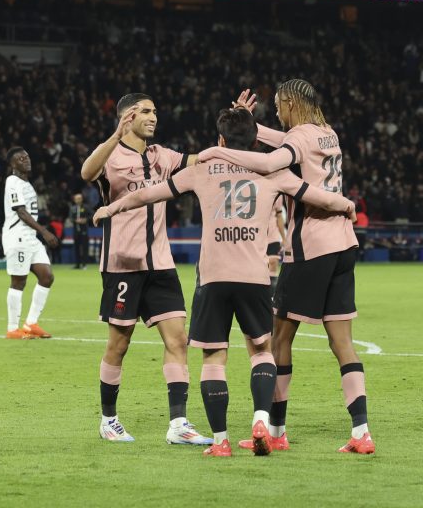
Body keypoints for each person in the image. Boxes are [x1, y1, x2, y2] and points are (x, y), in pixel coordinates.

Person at [92, 108, 356, 457]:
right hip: (256, 278)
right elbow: (314, 194)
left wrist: (112, 208)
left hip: (214, 278)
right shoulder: (273, 171)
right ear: (255, 138)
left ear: (221, 140)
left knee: (214, 357)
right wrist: (346, 204)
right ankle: (261, 419)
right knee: (262, 352)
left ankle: (220, 441)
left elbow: (152, 193)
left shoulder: (202, 170)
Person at [198, 83, 374, 455]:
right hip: (344, 244)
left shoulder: (299, 137)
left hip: (310, 247)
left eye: (278, 106)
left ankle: (276, 430)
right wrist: (246, 125)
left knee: (279, 339)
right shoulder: (327, 134)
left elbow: (267, 162)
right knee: (343, 342)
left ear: (291, 103)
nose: (277, 112)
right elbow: (286, 143)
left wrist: (217, 148)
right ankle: (362, 432)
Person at [80, 93, 210, 446]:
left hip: (161, 264)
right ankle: (108, 420)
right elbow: (87, 172)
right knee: (119, 345)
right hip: (122, 264)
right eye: (147, 112)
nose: (154, 117)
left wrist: (234, 139)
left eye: (156, 111)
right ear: (129, 115)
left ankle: (179, 424)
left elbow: (197, 159)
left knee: (177, 340)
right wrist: (114, 135)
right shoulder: (111, 155)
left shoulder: (161, 155)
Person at [2, 147, 59, 340]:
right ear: (12, 165)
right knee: (19, 281)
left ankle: (30, 323)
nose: (26, 160)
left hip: (30, 238)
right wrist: (44, 231)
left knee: (47, 276)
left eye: (27, 157)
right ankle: (12, 329)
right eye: (20, 159)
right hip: (17, 236)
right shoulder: (13, 182)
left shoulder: (27, 183)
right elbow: (21, 212)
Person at [266, 196, 286, 296]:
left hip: (273, 237)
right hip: (257, 237)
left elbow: (279, 216)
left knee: (272, 264)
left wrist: (284, 238)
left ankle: (271, 300)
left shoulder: (278, 195)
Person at [69, 193, 90, 269]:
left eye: (80, 198)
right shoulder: (72, 208)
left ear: (82, 199)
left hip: (84, 230)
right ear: (74, 200)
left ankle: (84, 264)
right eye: (77, 198)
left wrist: (85, 220)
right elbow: (70, 218)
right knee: (76, 248)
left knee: (84, 247)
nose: (78, 200)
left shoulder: (86, 207)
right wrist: (75, 221)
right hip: (76, 231)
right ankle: (77, 264)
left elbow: (92, 215)